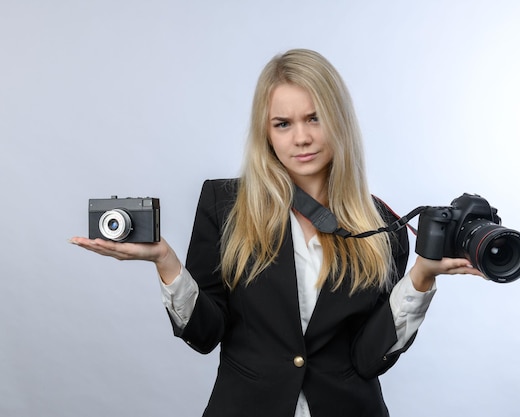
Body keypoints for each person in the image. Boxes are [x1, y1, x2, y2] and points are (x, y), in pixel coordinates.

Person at [71, 48, 483, 417]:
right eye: (283, 124)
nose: (301, 138)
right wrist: (167, 263)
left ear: (338, 120)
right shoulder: (224, 205)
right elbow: (205, 335)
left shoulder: (382, 227)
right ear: (265, 133)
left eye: (314, 119)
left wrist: (421, 278)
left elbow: (367, 360)